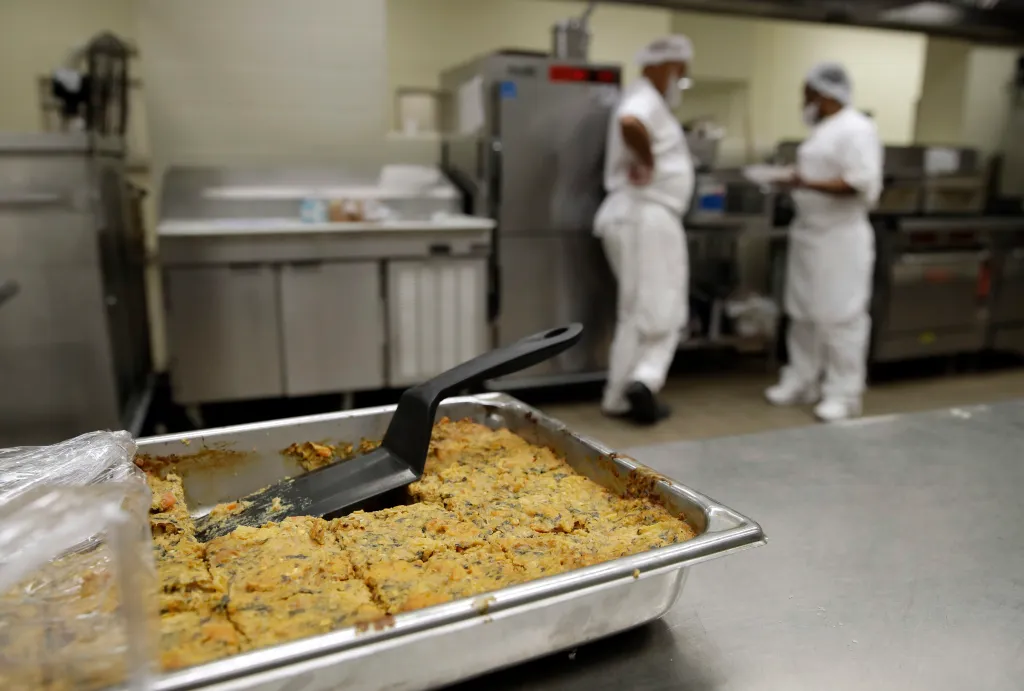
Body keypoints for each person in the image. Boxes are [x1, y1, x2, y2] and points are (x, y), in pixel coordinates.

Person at [765, 62, 883, 422]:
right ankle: (802, 379)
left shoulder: (857, 129)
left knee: (840, 316)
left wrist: (803, 183)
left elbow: (859, 183)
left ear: (826, 94)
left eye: (808, 95)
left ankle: (844, 392)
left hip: (841, 237)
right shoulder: (824, 130)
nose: (805, 102)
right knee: (803, 313)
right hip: (810, 233)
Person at [594, 35, 695, 425]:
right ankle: (644, 381)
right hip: (646, 216)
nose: (680, 79)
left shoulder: (648, 100)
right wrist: (648, 162)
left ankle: (622, 393)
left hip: (637, 216)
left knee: (637, 310)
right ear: (663, 65)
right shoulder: (644, 99)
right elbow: (630, 122)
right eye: (680, 70)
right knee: (659, 308)